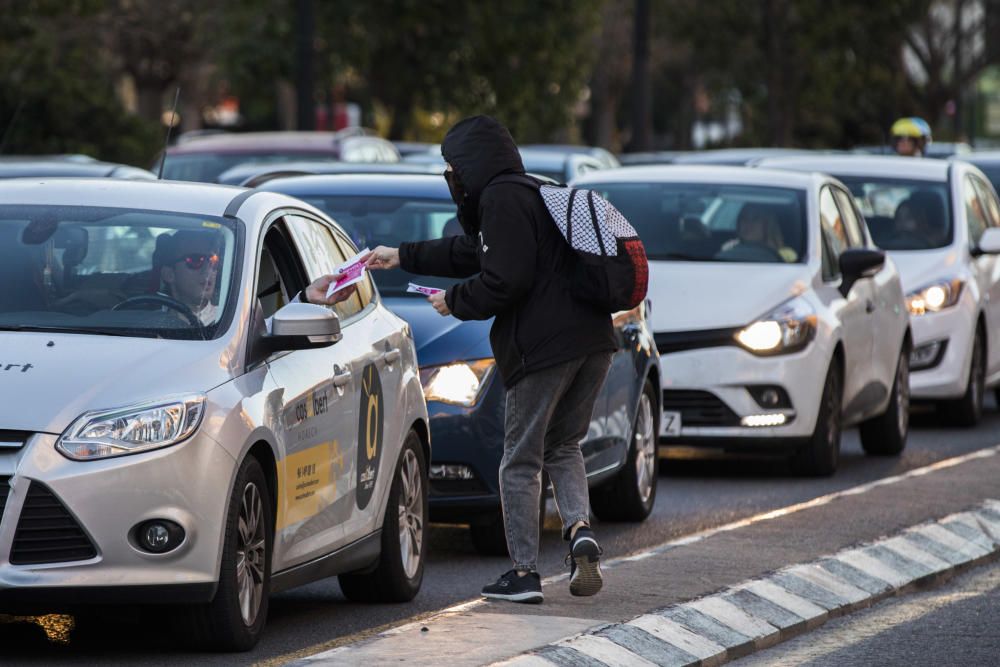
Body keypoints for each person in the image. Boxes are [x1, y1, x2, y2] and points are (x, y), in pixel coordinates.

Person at [366, 115, 616, 604]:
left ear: (471, 163)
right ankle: (580, 530)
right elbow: (471, 252)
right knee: (563, 445)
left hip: (543, 349)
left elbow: (506, 279)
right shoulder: (533, 192)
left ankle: (523, 574)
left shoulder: (501, 200)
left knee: (518, 461)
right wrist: (401, 254)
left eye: (451, 166)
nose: (450, 177)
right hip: (593, 341)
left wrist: (454, 302)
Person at [155, 229, 353, 325]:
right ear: (168, 274)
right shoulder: (140, 320)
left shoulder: (230, 321)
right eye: (195, 260)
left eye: (213, 260)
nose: (209, 270)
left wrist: (305, 298)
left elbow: (266, 335)